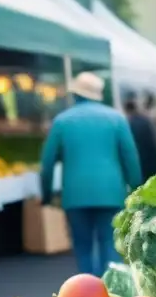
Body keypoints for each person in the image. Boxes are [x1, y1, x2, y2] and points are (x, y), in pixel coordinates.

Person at [40, 72, 142, 277]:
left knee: (82, 245)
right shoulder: (116, 119)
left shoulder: (62, 121)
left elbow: (47, 163)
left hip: (75, 194)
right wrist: (136, 190)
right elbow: (130, 158)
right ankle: (111, 293)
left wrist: (47, 195)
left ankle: (87, 293)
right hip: (112, 192)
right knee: (110, 243)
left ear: (75, 94)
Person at [122, 92, 156, 183]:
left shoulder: (126, 124)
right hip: (149, 166)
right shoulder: (145, 122)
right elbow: (153, 147)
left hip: (137, 167)